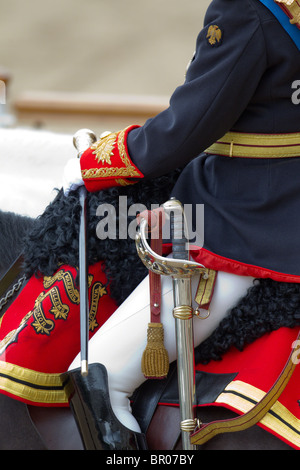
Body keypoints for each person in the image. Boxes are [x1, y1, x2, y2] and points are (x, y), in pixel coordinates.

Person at [61, 0, 300, 450]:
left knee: (97, 377)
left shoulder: (247, 10)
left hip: (248, 219)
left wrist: (93, 162)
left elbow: (185, 128)